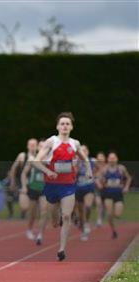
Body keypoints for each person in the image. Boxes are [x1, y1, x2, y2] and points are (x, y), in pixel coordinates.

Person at [33, 112, 92, 261]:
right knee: (54, 222)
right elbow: (36, 161)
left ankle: (61, 249)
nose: (65, 126)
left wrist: (89, 171)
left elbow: (84, 159)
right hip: (52, 185)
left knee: (66, 216)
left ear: (71, 127)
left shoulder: (75, 143)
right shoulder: (51, 142)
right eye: (62, 123)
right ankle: (56, 218)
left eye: (67, 124)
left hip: (68, 185)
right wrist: (48, 171)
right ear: (58, 126)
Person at [96, 151, 132, 239]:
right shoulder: (105, 169)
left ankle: (112, 219)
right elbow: (97, 178)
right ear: (108, 159)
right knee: (109, 214)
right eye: (110, 158)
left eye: (113, 158)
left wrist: (126, 187)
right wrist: (99, 184)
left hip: (118, 194)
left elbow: (129, 178)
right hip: (108, 193)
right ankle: (114, 231)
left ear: (116, 159)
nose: (112, 160)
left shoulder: (121, 168)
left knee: (117, 214)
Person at [20, 139, 48, 244]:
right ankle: (29, 229)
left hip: (44, 189)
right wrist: (24, 186)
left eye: (44, 146)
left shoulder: (50, 160)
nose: (42, 148)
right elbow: (23, 174)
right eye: (40, 146)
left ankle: (40, 235)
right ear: (37, 148)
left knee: (44, 211)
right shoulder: (32, 159)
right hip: (32, 188)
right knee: (32, 214)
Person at [7, 138, 38, 219]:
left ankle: (26, 215)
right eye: (30, 145)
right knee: (23, 206)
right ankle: (17, 213)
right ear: (27, 146)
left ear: (37, 146)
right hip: (22, 184)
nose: (32, 147)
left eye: (34, 145)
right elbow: (13, 169)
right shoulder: (22, 156)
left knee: (34, 208)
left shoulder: (39, 157)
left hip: (35, 184)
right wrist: (12, 182)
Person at [74, 145, 96, 241]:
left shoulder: (93, 161)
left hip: (89, 188)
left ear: (88, 152)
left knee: (88, 206)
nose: (83, 152)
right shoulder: (75, 162)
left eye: (85, 150)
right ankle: (83, 231)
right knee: (80, 212)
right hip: (78, 189)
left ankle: (86, 223)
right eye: (81, 151)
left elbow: (103, 168)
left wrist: (96, 176)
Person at [94, 151, 107, 227]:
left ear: (104, 158)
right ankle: (98, 219)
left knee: (104, 205)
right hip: (97, 188)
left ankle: (101, 218)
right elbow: (93, 177)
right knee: (98, 203)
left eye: (101, 157)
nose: (99, 159)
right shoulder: (95, 167)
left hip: (106, 188)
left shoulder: (107, 167)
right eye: (98, 157)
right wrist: (97, 183)